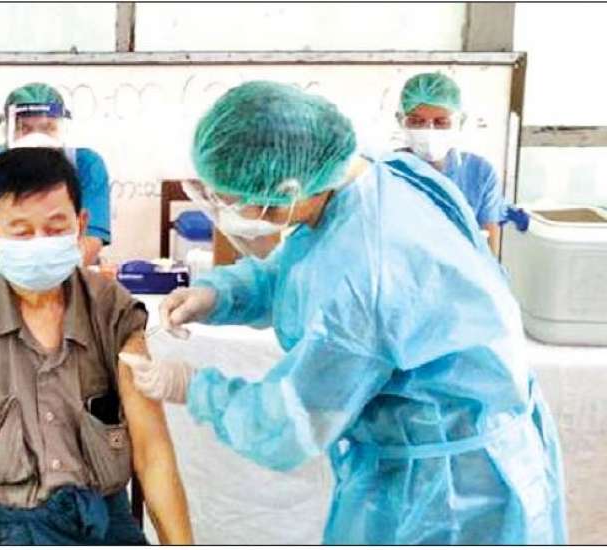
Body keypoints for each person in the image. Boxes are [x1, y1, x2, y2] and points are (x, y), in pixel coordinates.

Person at [120, 81, 566, 545]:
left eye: (236, 201)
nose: (233, 212)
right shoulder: (373, 175)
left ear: (287, 188)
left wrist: (194, 387)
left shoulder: (364, 276)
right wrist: (222, 294)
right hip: (460, 455)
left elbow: (287, 424)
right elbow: (305, 265)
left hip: (454, 499)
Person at [0, 148, 192, 545]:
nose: (40, 242)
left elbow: (152, 451)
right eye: (22, 232)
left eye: (56, 227)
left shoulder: (111, 309)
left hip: (100, 528)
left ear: (81, 225)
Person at [0, 82, 110, 267]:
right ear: (7, 129)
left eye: (48, 128)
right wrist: (5, 274)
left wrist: (56, 272)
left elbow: (91, 240)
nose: (36, 138)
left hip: (70, 272)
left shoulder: (86, 165)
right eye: (24, 128)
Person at [396, 72, 505, 254]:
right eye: (417, 122)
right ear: (401, 121)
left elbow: (489, 253)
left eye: (441, 122)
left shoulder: (480, 173)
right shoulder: (384, 172)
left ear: (460, 122)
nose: (429, 130)